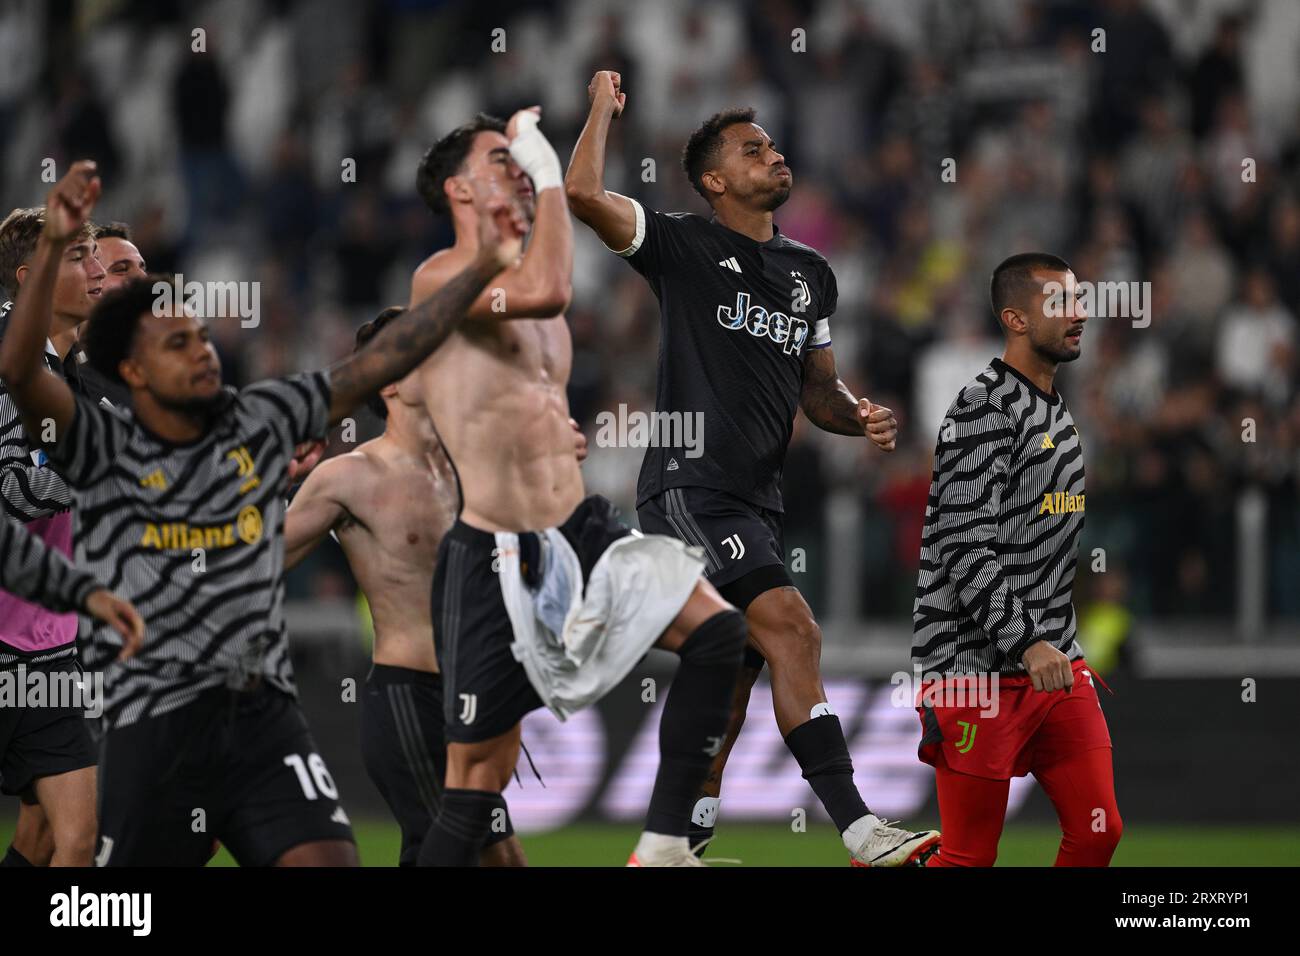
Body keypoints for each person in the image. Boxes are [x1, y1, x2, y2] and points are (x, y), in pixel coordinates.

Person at [0, 159, 519, 866]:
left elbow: (378, 361)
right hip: (155, 720)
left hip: (262, 716)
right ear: (133, 372)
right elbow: (23, 374)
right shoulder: (97, 442)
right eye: (177, 343)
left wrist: (482, 265)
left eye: (203, 338)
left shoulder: (258, 418)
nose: (203, 352)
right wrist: (56, 247)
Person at [565, 71, 938, 865]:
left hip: (756, 498)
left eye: (770, 144)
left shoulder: (811, 274)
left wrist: (857, 412)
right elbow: (582, 193)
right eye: (752, 149)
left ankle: (676, 845)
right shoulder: (682, 244)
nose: (773, 155)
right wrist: (601, 107)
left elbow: (819, 391)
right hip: (690, 486)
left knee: (731, 680)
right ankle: (863, 830)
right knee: (794, 630)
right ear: (714, 180)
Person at [409, 107, 748, 867]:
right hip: (497, 556)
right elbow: (550, 288)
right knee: (474, 786)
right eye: (501, 159)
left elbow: (526, 391)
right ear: (460, 191)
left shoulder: (538, 296)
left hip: (581, 529)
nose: (518, 168)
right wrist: (553, 168)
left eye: (519, 157)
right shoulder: (440, 275)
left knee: (720, 631)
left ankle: (662, 846)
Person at [283, 305, 584, 867]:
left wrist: (558, 465)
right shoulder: (348, 476)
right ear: (388, 379)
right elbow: (257, 559)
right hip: (407, 699)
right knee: (482, 857)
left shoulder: (474, 467)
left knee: (470, 858)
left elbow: (544, 541)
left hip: (474, 699)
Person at [913, 252, 1121, 866]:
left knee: (1099, 832)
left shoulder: (1056, 408)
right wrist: (1024, 641)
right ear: (1016, 319)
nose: (1079, 313)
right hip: (974, 668)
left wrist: (1049, 639)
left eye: (1079, 299)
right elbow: (962, 545)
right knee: (969, 857)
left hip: (1057, 664)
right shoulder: (981, 410)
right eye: (1060, 303)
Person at [0, 204, 107, 866]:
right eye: (77, 258)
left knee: (73, 838)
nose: (97, 271)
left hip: (44, 646)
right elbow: (13, 484)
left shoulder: (76, 371)